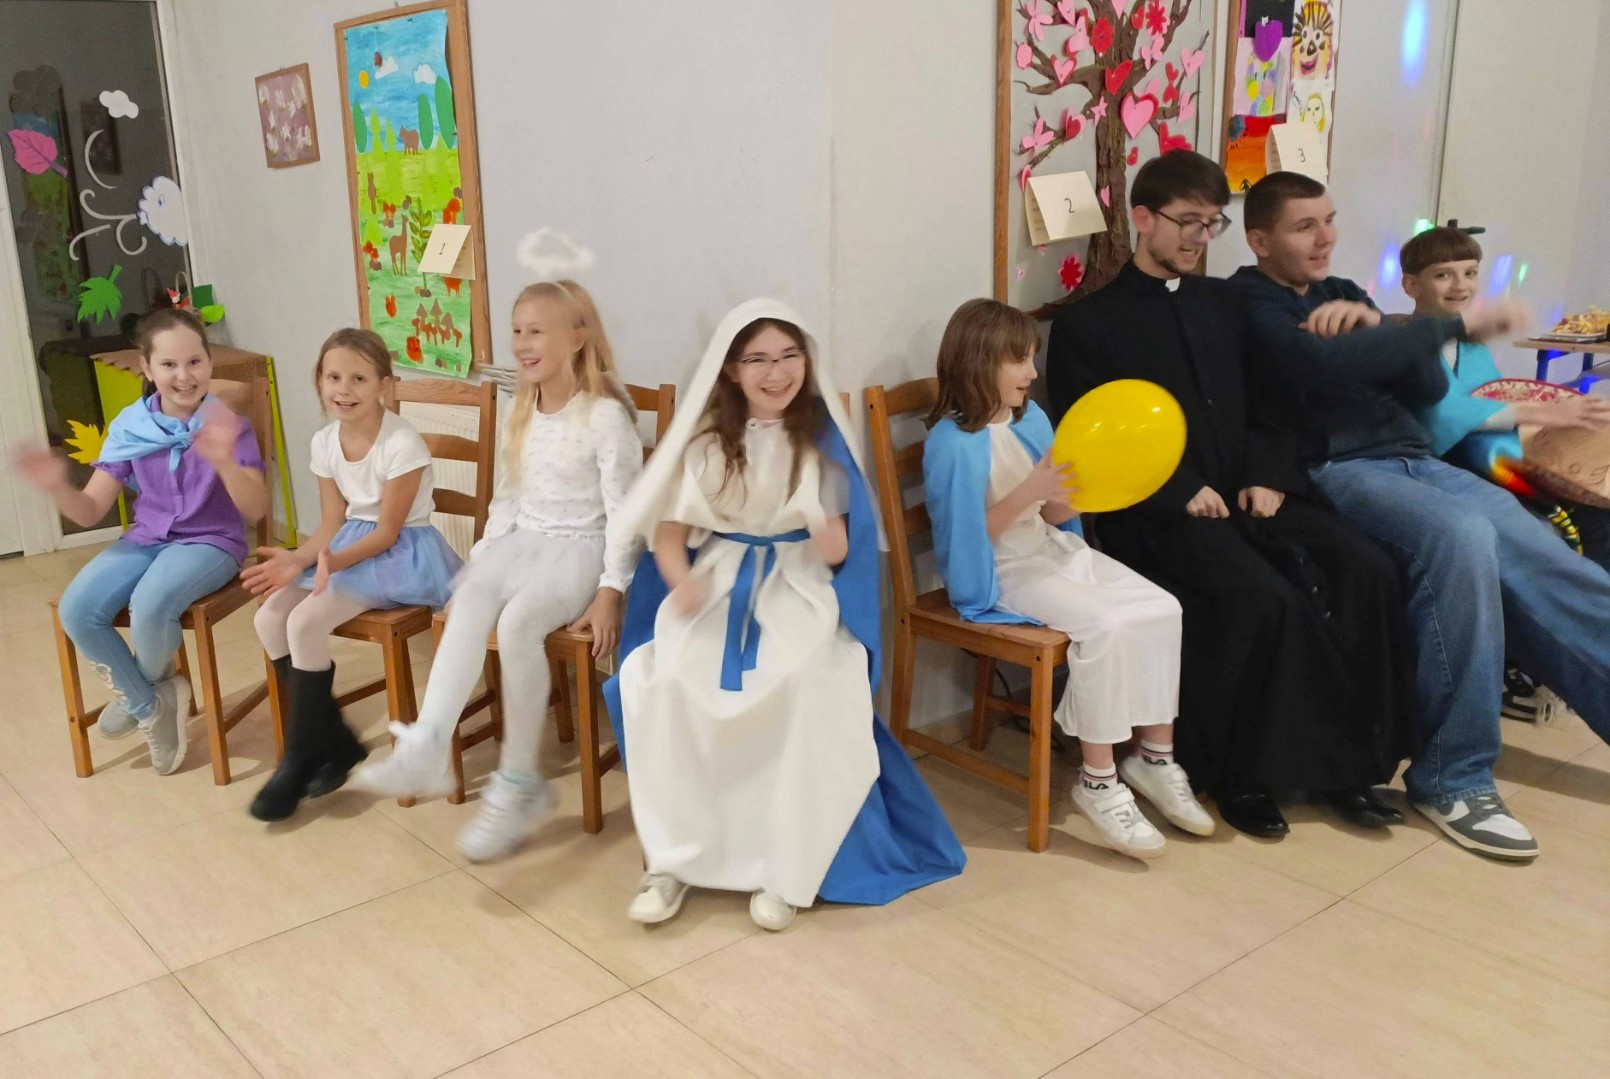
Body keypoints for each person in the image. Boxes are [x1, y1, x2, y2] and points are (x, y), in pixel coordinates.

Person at [1231, 171, 1610, 860]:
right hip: (1337, 469)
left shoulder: (1344, 292)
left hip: (1411, 456)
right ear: (1260, 240)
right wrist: (1424, 331)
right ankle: (1452, 777)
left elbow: (1428, 384)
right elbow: (1313, 367)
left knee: (1549, 557)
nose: (1325, 238)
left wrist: (1378, 326)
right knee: (1462, 538)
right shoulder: (1247, 301)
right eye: (1304, 226)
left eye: (1329, 220)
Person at [1046, 151, 1414, 839]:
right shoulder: (1087, 326)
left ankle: (1348, 767)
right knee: (1262, 599)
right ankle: (1242, 774)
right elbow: (1089, 442)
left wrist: (1267, 472)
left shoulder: (1224, 304)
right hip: (1155, 512)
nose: (1199, 238)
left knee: (1366, 568)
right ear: (1143, 218)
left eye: (1212, 223)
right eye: (1188, 221)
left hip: (1251, 490)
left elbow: (1271, 402)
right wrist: (1179, 490)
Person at [605, 299, 964, 931]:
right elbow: (669, 534)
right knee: (666, 683)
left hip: (795, 587)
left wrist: (826, 534)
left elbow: (841, 548)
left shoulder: (821, 441)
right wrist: (681, 582)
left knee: (805, 683)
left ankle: (785, 866)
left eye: (789, 356)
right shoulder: (708, 443)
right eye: (759, 360)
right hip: (717, 586)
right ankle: (672, 860)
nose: (777, 373)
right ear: (732, 369)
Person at [353, 281, 643, 863]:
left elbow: (626, 514)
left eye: (537, 331)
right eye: (517, 331)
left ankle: (518, 785)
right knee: (471, 594)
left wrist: (611, 591)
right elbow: (508, 499)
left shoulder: (605, 416)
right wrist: (483, 559)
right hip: (524, 540)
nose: (522, 343)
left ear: (577, 338)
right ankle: (428, 746)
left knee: (517, 626)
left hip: (581, 548)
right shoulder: (521, 408)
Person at [925, 297, 1210, 859]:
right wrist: (1029, 491)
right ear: (980, 361)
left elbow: (1057, 515)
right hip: (1000, 569)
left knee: (1163, 607)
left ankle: (1154, 758)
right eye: (1020, 360)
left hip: (1050, 549)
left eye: (1032, 358)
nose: (1033, 372)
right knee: (1104, 625)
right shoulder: (950, 443)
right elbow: (966, 539)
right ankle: (1098, 781)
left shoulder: (1031, 419)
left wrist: (1075, 491)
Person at [14, 308, 268, 776]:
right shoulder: (130, 427)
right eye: (169, 364)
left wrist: (224, 461)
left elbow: (255, 510)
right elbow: (90, 510)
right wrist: (57, 486)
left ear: (209, 363)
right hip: (147, 538)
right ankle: (151, 703)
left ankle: (138, 699)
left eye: (194, 362)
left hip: (211, 541)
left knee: (150, 603)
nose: (183, 376)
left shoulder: (229, 425)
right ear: (147, 368)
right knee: (77, 609)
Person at [241, 328, 461, 822]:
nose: (344, 389)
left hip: (402, 551)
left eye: (359, 378)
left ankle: (300, 758)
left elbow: (386, 532)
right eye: (333, 377)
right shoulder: (324, 442)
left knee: (304, 622)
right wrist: (298, 559)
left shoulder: (402, 443)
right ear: (319, 381)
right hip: (346, 545)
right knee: (268, 618)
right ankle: (335, 741)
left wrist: (329, 562)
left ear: (384, 384)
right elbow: (330, 524)